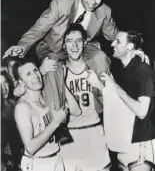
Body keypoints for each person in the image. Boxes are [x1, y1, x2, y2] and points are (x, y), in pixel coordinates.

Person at [3, 0, 148, 117]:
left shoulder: (104, 11)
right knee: (52, 65)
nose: (93, 2)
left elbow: (114, 36)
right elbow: (38, 29)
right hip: (53, 47)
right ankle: (57, 115)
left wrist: (133, 49)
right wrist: (22, 46)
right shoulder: (60, 4)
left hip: (82, 46)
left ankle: (101, 104)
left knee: (100, 57)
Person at [86, 31, 155, 171]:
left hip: (140, 145)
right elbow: (121, 104)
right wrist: (100, 85)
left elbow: (141, 112)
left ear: (129, 47)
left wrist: (115, 86)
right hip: (125, 142)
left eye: (117, 41)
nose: (112, 44)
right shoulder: (124, 69)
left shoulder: (143, 71)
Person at [57, 24, 111, 171]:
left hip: (94, 131)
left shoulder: (97, 68)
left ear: (85, 43)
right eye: (69, 41)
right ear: (63, 44)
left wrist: (100, 85)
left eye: (78, 41)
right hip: (69, 136)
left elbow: (114, 104)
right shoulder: (57, 72)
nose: (74, 45)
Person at [12, 59, 69, 171]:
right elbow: (31, 147)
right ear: (21, 82)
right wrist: (55, 122)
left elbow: (76, 110)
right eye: (28, 74)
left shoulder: (47, 96)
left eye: (35, 70)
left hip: (56, 157)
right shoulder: (22, 107)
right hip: (37, 163)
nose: (35, 76)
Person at [1, 70, 23, 171]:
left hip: (22, 157)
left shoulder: (15, 104)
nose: (3, 89)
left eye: (5, 84)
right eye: (0, 85)